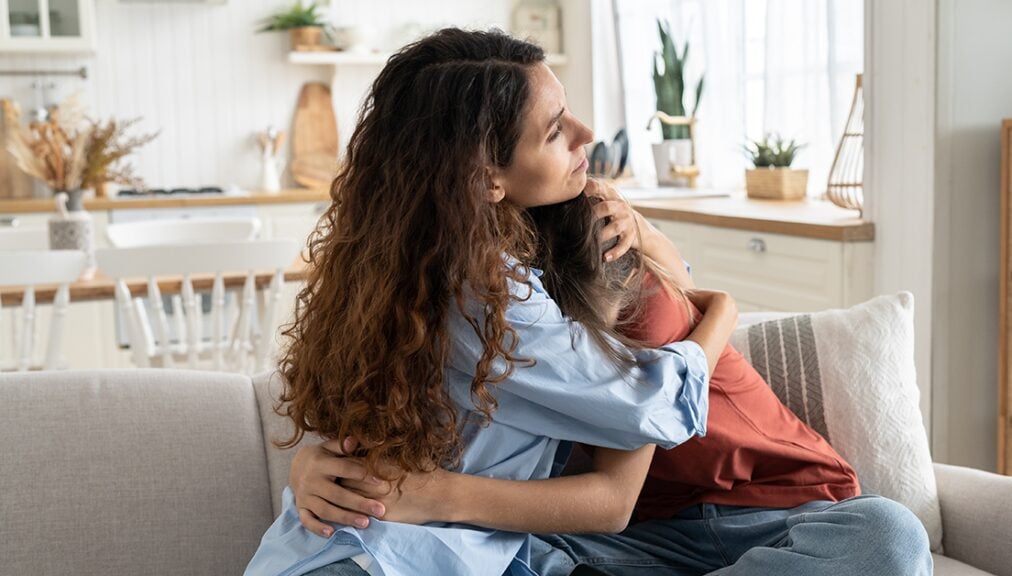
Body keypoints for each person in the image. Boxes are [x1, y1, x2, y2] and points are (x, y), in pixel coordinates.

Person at [244, 27, 739, 576]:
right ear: (485, 180)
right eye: (554, 131)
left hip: (328, 553)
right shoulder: (489, 292)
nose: (587, 133)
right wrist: (724, 313)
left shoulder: (398, 264)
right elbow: (648, 405)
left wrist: (641, 232)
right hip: (387, 560)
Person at [297, 192, 934, 576]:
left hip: (779, 516)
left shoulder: (615, 281)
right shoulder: (484, 305)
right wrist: (314, 465)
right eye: (553, 132)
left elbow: (614, 487)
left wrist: (714, 310)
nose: (582, 138)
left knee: (886, 533)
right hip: (623, 546)